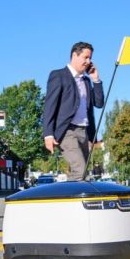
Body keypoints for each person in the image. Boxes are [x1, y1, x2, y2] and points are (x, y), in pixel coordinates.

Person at [42, 42, 104, 181]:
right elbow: (50, 106)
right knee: (80, 170)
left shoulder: (86, 81)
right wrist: (48, 134)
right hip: (67, 132)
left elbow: (99, 103)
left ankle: (72, 199)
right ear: (75, 55)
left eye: (90, 58)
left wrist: (96, 80)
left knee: (82, 174)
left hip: (84, 132)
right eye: (85, 57)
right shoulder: (58, 75)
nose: (88, 61)